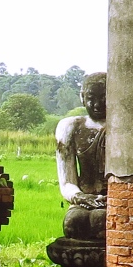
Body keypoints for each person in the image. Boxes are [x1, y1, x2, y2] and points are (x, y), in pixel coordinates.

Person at [55, 71, 107, 240]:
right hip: (83, 199)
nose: (97, 104)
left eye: (104, 97)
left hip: (111, 200)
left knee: (101, 220)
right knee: (73, 224)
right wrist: (81, 197)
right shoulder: (71, 126)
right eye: (91, 97)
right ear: (82, 97)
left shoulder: (122, 127)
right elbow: (67, 181)